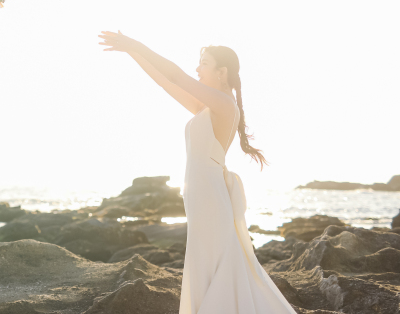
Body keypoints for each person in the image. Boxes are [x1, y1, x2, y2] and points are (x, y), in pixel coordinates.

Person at [98, 30, 295, 314]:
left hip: (211, 200)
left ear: (222, 72)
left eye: (203, 63)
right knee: (206, 265)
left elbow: (177, 76)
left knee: (218, 266)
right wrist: (133, 54)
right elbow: (168, 82)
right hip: (202, 199)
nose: (197, 68)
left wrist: (138, 44)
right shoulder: (206, 106)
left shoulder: (225, 106)